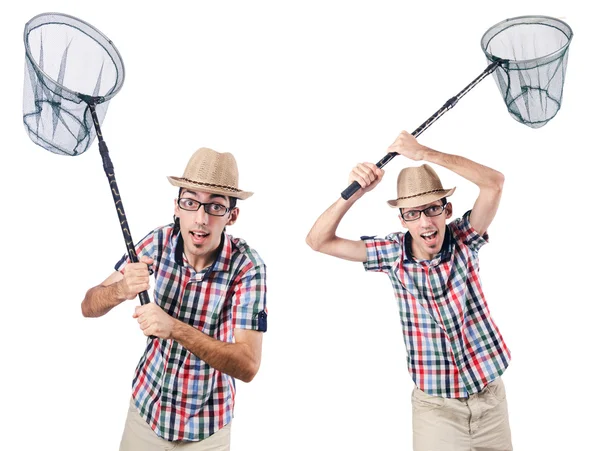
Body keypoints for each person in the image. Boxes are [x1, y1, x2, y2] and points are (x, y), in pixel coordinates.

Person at [306, 131, 512, 451]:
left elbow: (494, 182)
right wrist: (355, 193)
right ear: (403, 219)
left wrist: (423, 152)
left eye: (431, 209)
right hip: (436, 409)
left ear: (447, 210)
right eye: (413, 213)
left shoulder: (465, 237)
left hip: (490, 400)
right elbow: (317, 240)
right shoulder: (391, 253)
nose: (425, 222)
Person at [81, 147, 267, 450]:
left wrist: (175, 328)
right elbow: (88, 305)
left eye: (215, 207)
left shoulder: (248, 267)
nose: (201, 218)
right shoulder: (158, 242)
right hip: (147, 412)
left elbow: (248, 365)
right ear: (177, 207)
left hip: (208, 427)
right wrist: (121, 290)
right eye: (190, 202)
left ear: (232, 216)